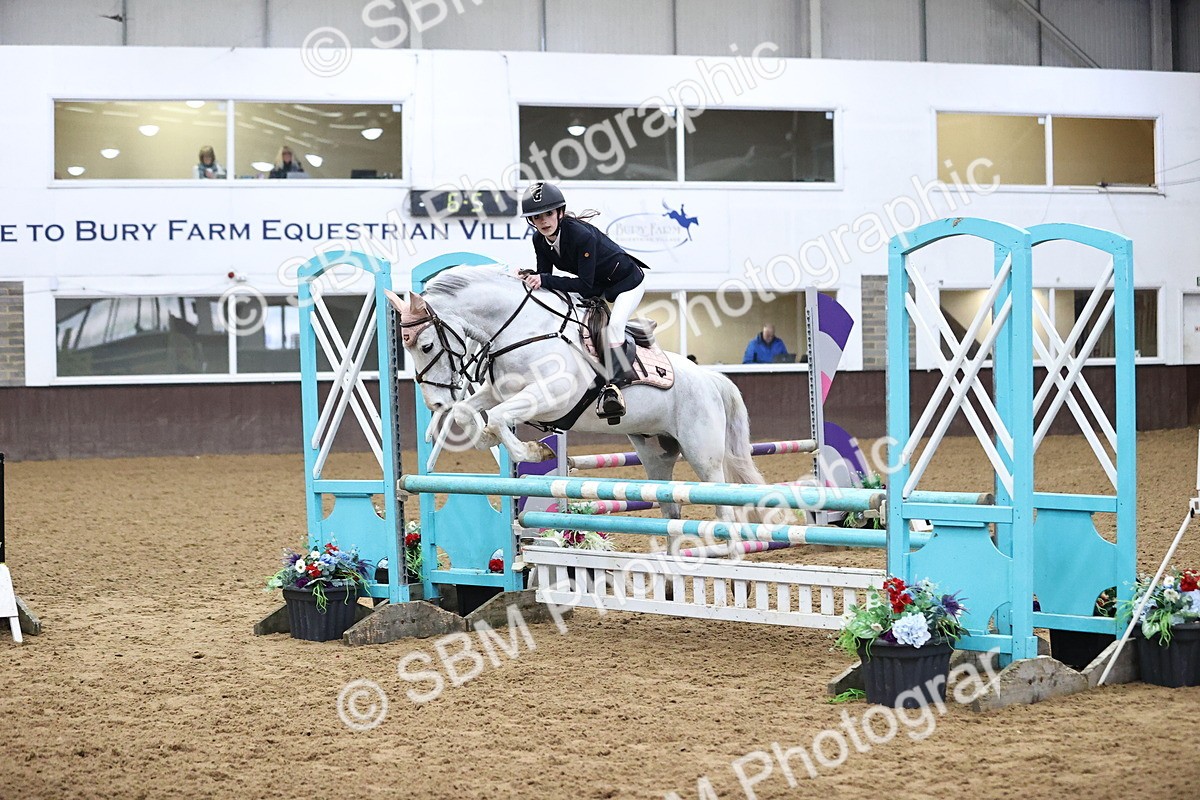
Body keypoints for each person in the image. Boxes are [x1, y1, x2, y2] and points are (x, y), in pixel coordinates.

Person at [520, 181, 647, 420]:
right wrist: (530, 277)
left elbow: (584, 286)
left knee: (614, 328)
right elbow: (546, 278)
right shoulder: (539, 240)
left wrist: (543, 279)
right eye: (537, 217)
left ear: (560, 212)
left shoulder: (581, 235)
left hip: (626, 283)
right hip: (598, 285)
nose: (544, 221)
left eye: (548, 214)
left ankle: (613, 388)